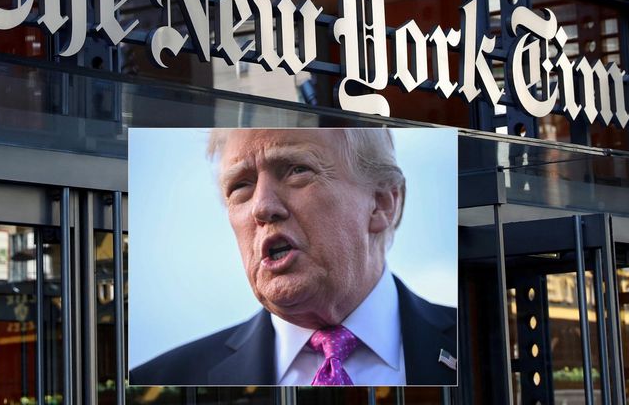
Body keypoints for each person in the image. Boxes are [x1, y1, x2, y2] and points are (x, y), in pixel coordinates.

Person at [130, 129, 456, 386]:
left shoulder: (475, 345)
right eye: (241, 186)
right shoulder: (158, 381)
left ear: (382, 203)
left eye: (297, 170)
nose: (262, 207)